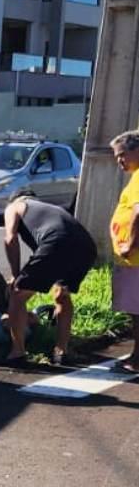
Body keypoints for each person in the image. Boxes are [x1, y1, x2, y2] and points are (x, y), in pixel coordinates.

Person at [2, 194, 97, 366]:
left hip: (57, 240)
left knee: (18, 294)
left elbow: (10, 238)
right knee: (62, 295)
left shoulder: (15, 206)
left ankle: (17, 353)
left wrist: (16, 275)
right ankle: (61, 352)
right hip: (86, 246)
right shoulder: (51, 209)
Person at [109, 131, 139, 373]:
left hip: (136, 259)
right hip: (132, 260)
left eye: (122, 156)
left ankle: (137, 358)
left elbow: (138, 213)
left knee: (137, 311)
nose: (119, 161)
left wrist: (130, 244)